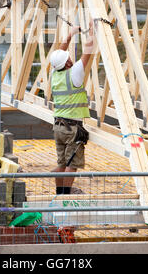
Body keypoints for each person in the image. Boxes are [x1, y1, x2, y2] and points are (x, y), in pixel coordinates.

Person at [50, 21, 95, 195]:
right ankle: (65, 195)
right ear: (68, 62)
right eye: (68, 57)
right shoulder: (75, 73)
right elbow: (87, 53)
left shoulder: (55, 74)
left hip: (58, 126)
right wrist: (92, 32)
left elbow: (59, 55)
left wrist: (70, 35)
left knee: (62, 164)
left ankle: (59, 193)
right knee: (72, 164)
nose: (70, 57)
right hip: (72, 128)